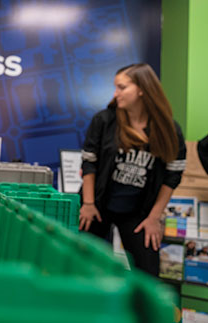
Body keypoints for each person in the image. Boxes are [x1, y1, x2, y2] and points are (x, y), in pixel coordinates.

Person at [78, 63, 186, 276]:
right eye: (115, 87)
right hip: (97, 206)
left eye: (121, 87)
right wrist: (88, 204)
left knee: (149, 273)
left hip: (138, 213)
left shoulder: (168, 129)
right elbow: (89, 163)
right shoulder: (105, 120)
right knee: (83, 266)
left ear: (141, 89)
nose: (115, 93)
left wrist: (154, 218)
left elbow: (173, 176)